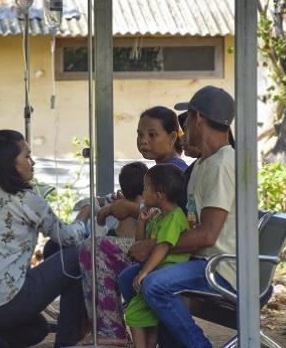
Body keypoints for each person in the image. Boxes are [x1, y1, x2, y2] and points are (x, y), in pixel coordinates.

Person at [110, 86, 237, 348]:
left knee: (154, 285)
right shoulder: (204, 163)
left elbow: (207, 234)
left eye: (186, 118)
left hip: (221, 267)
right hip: (198, 260)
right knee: (128, 278)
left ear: (198, 118)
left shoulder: (223, 164)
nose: (184, 128)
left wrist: (156, 247)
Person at [0, 130, 93, 348]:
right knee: (78, 256)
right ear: (10, 163)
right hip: (2, 305)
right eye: (27, 156)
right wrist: (85, 212)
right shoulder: (26, 200)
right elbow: (68, 237)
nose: (33, 162)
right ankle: (66, 344)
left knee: (36, 329)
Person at [78, 105, 186, 346]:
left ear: (172, 137)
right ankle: (101, 327)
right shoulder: (159, 170)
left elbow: (173, 215)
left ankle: (110, 329)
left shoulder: (174, 173)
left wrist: (130, 208)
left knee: (94, 249)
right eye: (140, 135)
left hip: (165, 253)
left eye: (152, 134)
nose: (143, 141)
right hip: (151, 245)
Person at [116, 164, 190, 348]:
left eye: (145, 188)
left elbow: (162, 247)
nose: (142, 193)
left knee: (132, 313)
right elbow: (140, 244)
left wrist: (144, 272)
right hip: (157, 269)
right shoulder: (159, 216)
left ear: (159, 195)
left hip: (166, 270)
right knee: (148, 319)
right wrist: (142, 220)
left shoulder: (174, 217)